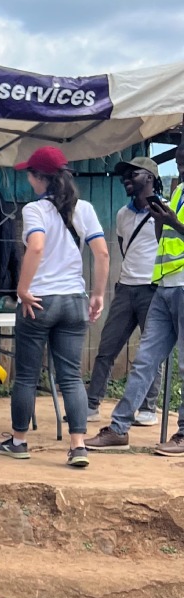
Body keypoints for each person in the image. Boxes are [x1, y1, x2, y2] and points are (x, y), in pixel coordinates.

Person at [0, 146, 108, 468]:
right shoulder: (83, 208)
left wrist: (22, 289)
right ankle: (78, 446)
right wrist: (97, 294)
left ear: (38, 178)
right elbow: (102, 254)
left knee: (27, 376)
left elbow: (37, 246)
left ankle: (18, 441)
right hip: (74, 301)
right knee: (71, 376)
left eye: (29, 173)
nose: (28, 179)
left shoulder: (35, 210)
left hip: (39, 302)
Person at [89, 140, 184, 456]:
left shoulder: (174, 200)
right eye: (179, 162)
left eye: (183, 163)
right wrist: (163, 223)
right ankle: (118, 429)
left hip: (176, 288)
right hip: (164, 286)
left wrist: (171, 221)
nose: (180, 168)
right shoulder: (176, 196)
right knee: (144, 359)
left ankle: (182, 433)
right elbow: (163, 243)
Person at [85, 156, 165, 425]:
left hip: (153, 291)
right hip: (125, 289)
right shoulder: (123, 214)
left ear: (151, 178)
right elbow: (124, 247)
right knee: (107, 348)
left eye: (134, 174)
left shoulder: (165, 211)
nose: (126, 179)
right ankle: (91, 404)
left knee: (151, 352)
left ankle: (148, 408)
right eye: (125, 175)